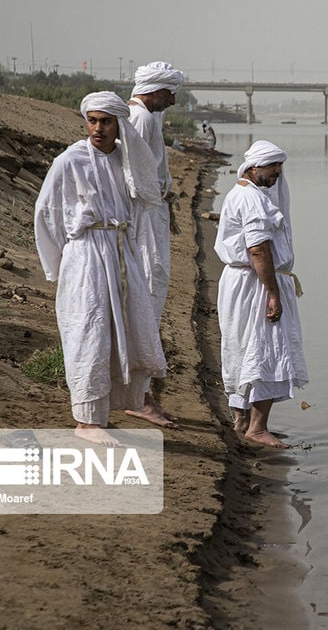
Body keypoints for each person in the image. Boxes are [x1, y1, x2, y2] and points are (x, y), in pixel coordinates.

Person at [34, 91, 169, 445]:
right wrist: (59, 264)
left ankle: (107, 414)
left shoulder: (128, 162)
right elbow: (46, 213)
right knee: (89, 332)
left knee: (122, 332)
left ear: (119, 124)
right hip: (86, 257)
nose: (98, 128)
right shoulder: (70, 160)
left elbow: (142, 207)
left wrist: (132, 250)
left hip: (122, 252)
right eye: (92, 121)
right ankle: (87, 421)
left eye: (106, 121)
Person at [214, 140, 307, 448]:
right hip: (255, 284)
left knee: (242, 348)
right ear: (254, 168)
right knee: (266, 349)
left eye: (280, 166)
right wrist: (272, 293)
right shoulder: (252, 199)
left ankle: (241, 420)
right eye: (272, 166)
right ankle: (257, 426)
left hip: (240, 283)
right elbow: (258, 248)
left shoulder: (239, 193)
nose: (278, 172)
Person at [128, 60, 185, 426]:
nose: (174, 101)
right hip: (144, 220)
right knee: (147, 297)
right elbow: (136, 177)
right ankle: (139, 397)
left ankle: (141, 392)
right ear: (154, 90)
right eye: (170, 93)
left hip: (152, 216)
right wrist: (157, 205)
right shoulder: (142, 119)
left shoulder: (151, 117)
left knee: (151, 297)